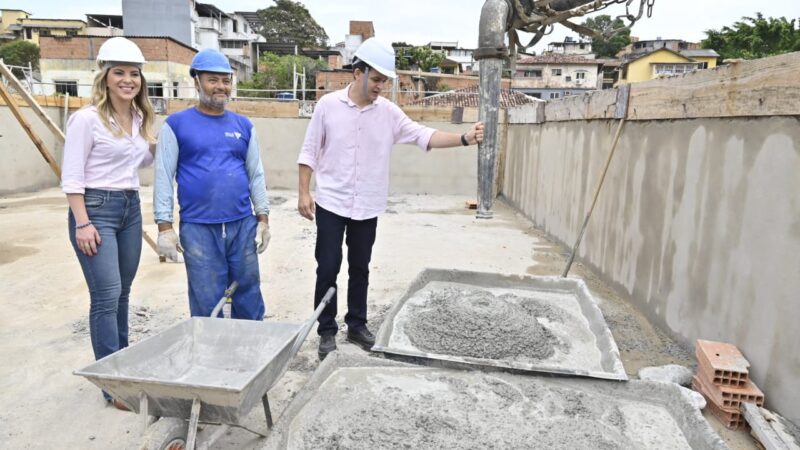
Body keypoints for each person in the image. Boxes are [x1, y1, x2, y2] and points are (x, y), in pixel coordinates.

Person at [297, 38, 485, 360]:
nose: (380, 86)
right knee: (327, 267)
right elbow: (309, 152)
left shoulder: (388, 113)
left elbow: (423, 135)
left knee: (360, 268)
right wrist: (304, 192)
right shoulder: (328, 106)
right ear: (358, 73)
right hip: (331, 203)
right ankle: (326, 330)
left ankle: (356, 326)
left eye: (384, 80)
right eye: (376, 79)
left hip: (367, 205)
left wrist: (464, 139)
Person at [61, 37, 156, 410]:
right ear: (105, 77)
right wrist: (82, 223)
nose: (128, 80)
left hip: (130, 207)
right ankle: (112, 386)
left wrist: (158, 144)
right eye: (119, 73)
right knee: (106, 295)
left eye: (134, 74)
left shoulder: (138, 118)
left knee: (123, 293)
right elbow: (72, 176)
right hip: (95, 209)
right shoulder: (86, 119)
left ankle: (124, 369)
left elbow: (140, 162)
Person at [153, 48, 270, 320]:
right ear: (197, 82)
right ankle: (210, 346)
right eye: (212, 80)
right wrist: (164, 227)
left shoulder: (243, 126)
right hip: (198, 228)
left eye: (226, 80)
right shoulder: (176, 125)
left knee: (248, 293)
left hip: (242, 225)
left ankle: (252, 343)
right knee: (206, 300)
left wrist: (263, 219)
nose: (221, 86)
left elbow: (256, 174)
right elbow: (163, 175)